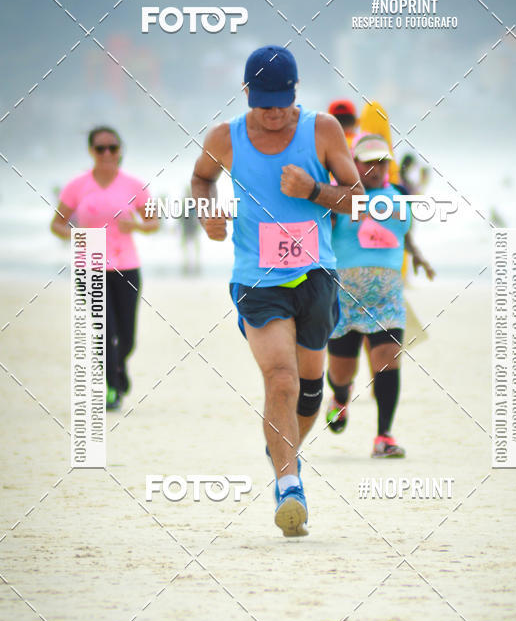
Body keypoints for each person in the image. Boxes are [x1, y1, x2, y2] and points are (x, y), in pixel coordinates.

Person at [191, 45, 362, 537]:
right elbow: (202, 180)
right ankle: (289, 486)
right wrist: (208, 214)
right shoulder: (225, 137)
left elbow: (357, 203)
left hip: (315, 276)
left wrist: (312, 191)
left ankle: (284, 451)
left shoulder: (322, 130)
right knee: (281, 380)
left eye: (280, 101)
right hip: (256, 278)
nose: (272, 112)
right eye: (262, 101)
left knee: (310, 389)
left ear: (295, 93)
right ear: (247, 93)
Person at [325, 133, 434, 458]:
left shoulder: (400, 194)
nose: (376, 167)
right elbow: (319, 238)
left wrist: (417, 255)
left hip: (387, 300)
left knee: (387, 363)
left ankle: (383, 436)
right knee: (340, 374)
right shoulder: (340, 197)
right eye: (368, 160)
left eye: (381, 160)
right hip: (343, 301)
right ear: (353, 164)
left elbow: (403, 231)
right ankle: (341, 398)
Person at [51, 126, 158, 410]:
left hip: (128, 266)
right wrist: (77, 234)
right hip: (90, 267)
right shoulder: (77, 186)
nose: (107, 153)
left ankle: (118, 373)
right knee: (104, 328)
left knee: (127, 337)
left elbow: (154, 222)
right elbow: (57, 224)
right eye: (101, 148)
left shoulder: (133, 185)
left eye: (112, 147)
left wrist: (136, 225)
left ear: (120, 150)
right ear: (91, 151)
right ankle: (112, 388)